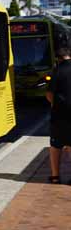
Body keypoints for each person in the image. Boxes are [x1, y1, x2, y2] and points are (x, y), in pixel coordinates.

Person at [46, 47, 71, 183]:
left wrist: (55, 104)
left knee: (56, 145)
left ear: (58, 58)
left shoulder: (57, 71)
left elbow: (49, 94)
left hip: (60, 114)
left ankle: (55, 176)